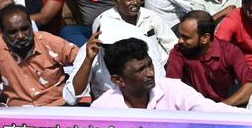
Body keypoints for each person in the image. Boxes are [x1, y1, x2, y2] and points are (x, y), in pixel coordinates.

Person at [92, 37, 240, 112]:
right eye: (140, 70)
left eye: (150, 65)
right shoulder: (102, 109)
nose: (150, 73)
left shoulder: (174, 89)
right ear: (118, 80)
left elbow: (211, 111)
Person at [0, 4, 88, 107]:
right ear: (2, 33)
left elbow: (83, 59)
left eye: (24, 29)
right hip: (18, 113)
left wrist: (72, 88)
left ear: (31, 26)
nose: (20, 36)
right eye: (13, 32)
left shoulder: (50, 42)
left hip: (58, 107)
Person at [167, 10, 252, 106]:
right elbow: (172, 88)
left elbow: (251, 84)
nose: (180, 41)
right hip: (193, 109)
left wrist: (221, 107)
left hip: (226, 109)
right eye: (180, 35)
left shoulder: (229, 51)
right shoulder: (178, 52)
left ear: (205, 38)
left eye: (186, 37)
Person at [93, 0, 177, 59]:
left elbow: (171, 43)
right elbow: (101, 54)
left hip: (160, 65)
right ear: (115, 1)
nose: (135, 2)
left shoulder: (150, 16)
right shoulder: (104, 22)